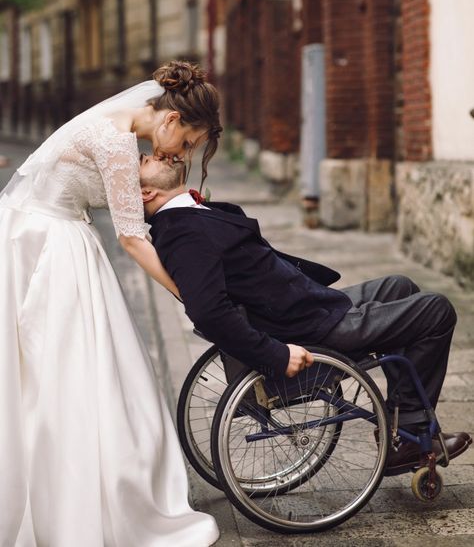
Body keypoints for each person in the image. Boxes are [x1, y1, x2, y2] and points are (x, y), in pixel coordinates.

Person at [0, 61, 221, 547]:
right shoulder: (116, 139)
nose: (181, 152)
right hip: (51, 242)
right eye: (186, 143)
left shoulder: (120, 132)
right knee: (72, 373)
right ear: (170, 120)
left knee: (49, 374)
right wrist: (191, 296)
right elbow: (132, 238)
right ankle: (83, 501)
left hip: (41, 230)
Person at [139, 155, 472, 476]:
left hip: (309, 305)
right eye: (147, 160)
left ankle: (404, 422)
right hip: (308, 328)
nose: (159, 154)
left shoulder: (184, 216)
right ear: (146, 192)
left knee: (400, 286)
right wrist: (276, 355)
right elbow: (209, 312)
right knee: (437, 310)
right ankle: (408, 435)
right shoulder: (183, 233)